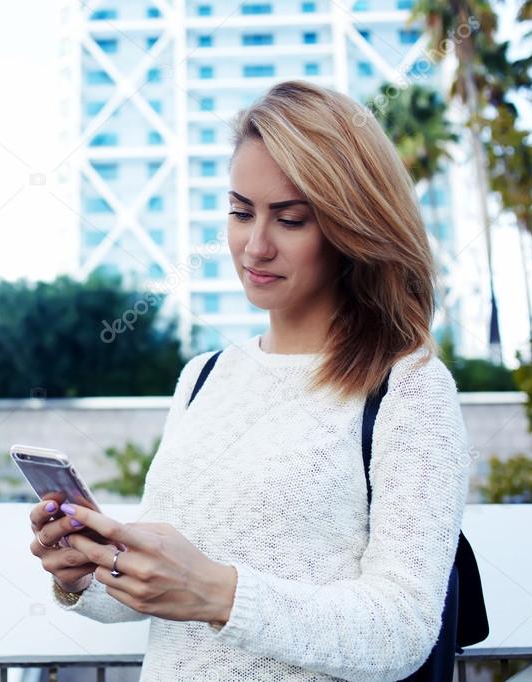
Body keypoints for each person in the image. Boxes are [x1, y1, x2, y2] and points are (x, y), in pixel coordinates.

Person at [28, 79, 472, 681]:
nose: (254, 246)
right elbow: (168, 599)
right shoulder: (203, 377)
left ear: (350, 228)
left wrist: (218, 593)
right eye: (240, 212)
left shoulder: (409, 387)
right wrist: (87, 574)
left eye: (290, 220)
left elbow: (401, 629)